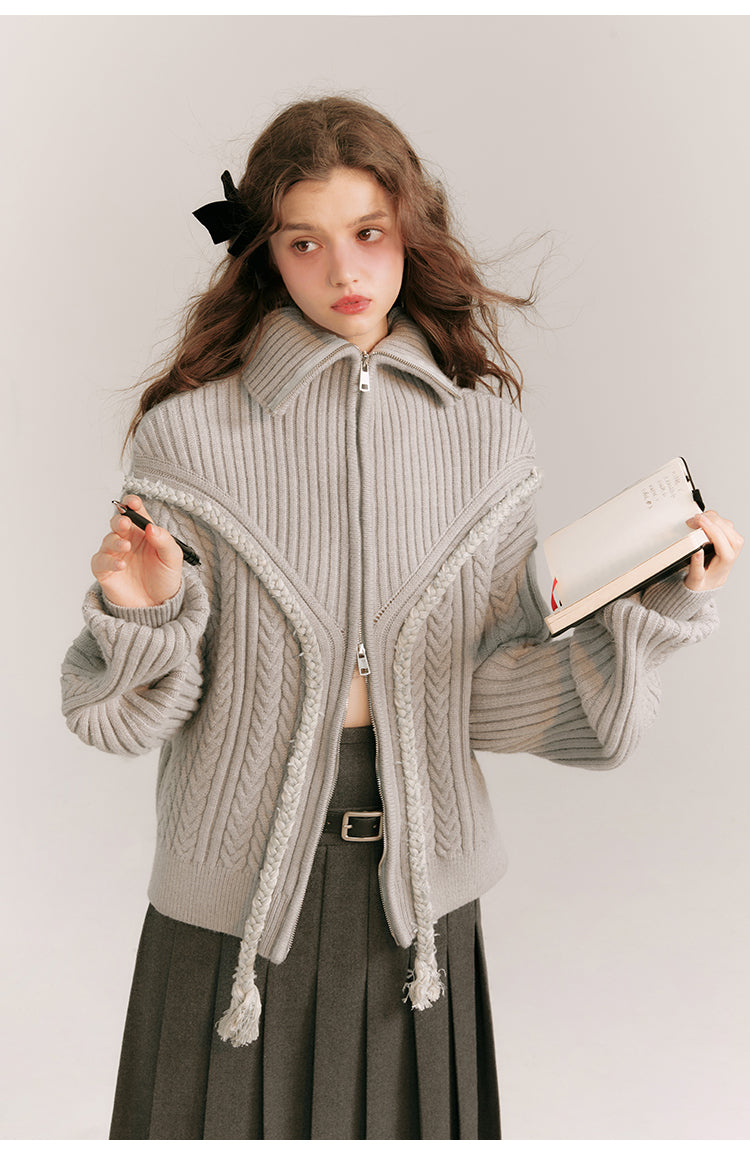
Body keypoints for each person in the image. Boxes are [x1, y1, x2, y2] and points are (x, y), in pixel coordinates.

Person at [60, 95, 742, 1141]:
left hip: (417, 911)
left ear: (411, 231)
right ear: (264, 253)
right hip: (233, 909)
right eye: (305, 242)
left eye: (369, 233)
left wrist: (660, 601)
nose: (344, 271)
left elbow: (491, 693)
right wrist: (139, 612)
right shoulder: (187, 439)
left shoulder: (487, 437)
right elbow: (125, 718)